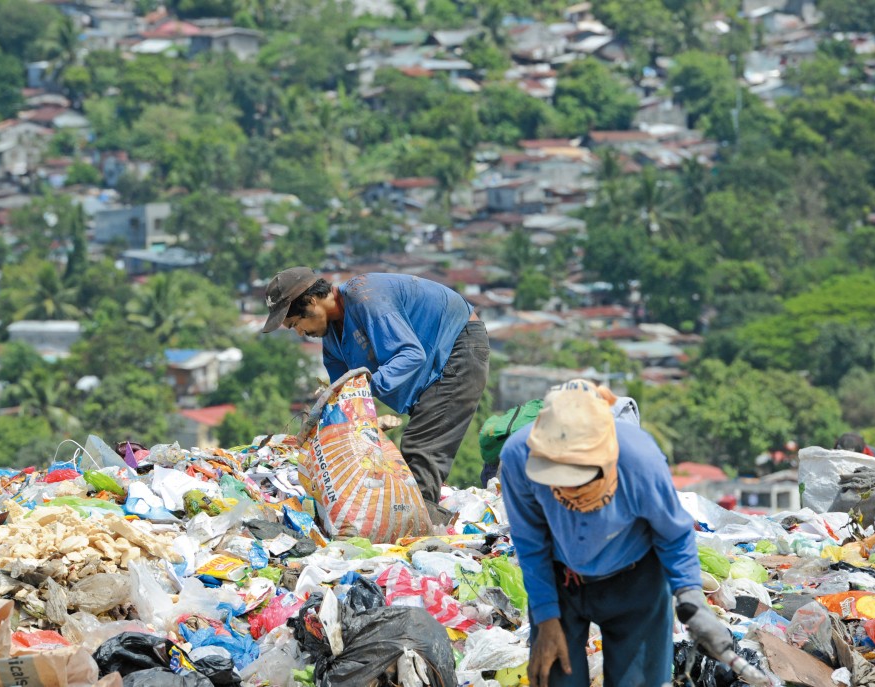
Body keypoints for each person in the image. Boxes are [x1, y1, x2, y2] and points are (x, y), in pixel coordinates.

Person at [500, 380, 734, 687]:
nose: (573, 499)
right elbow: (530, 543)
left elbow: (673, 535)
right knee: (555, 675)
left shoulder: (639, 459)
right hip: (562, 580)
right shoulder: (519, 458)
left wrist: (693, 601)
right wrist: (545, 617)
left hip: (636, 580)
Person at [261, 267, 490, 517]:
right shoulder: (333, 342)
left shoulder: (366, 298)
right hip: (434, 363)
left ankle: (420, 523)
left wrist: (363, 390)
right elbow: (344, 399)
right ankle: (415, 517)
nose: (300, 333)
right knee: (412, 449)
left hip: (459, 345)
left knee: (421, 449)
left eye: (296, 323)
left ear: (311, 301)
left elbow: (411, 354)